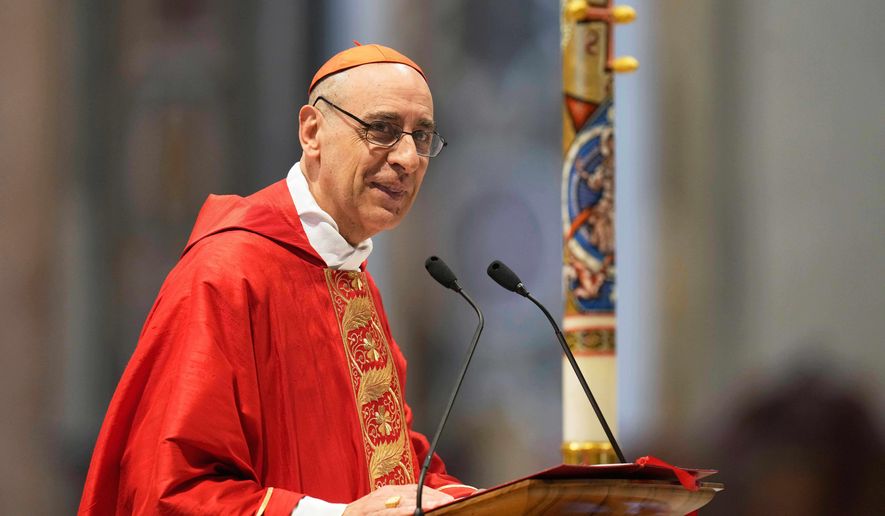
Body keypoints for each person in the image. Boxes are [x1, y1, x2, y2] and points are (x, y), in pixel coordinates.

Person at [79, 44, 475, 515]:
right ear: (312, 132)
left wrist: (479, 503)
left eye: (422, 136)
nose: (408, 158)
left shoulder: (351, 279)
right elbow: (171, 491)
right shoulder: (227, 273)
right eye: (383, 130)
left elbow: (390, 468)